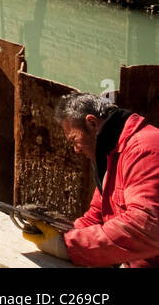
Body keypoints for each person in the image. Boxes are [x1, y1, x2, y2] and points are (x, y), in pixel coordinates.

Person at [23, 92, 159, 266]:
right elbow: (97, 216)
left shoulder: (144, 150)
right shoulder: (111, 155)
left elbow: (147, 227)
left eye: (74, 140)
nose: (76, 150)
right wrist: (61, 232)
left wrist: (67, 246)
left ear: (92, 123)